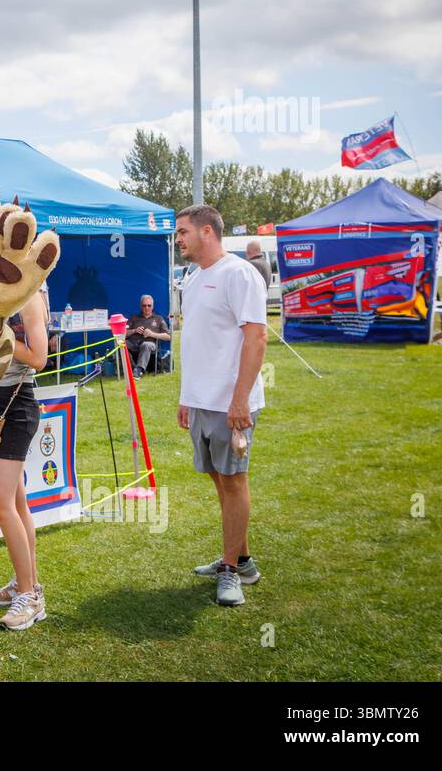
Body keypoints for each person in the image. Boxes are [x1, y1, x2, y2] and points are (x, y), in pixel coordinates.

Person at [175, 204, 268, 607]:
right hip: (202, 401)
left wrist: (240, 399)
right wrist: (187, 397)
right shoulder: (194, 278)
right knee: (219, 480)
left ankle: (230, 570)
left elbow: (257, 338)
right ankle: (242, 561)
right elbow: (196, 341)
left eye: (183, 232)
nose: (178, 239)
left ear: (207, 231)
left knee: (233, 481)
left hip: (231, 402)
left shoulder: (239, 274)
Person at [0, 284, 50, 631]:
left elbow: (39, 358)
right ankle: (25, 583)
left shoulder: (30, 296)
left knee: (0, 504)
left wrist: (0, 336)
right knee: (18, 505)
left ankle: (30, 598)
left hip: (18, 407)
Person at [125, 294, 170, 377]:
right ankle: (132, 368)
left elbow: (168, 336)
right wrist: (134, 330)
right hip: (134, 343)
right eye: (144, 305)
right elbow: (123, 333)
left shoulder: (158, 319)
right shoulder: (134, 317)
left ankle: (139, 370)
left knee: (146, 344)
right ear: (141, 306)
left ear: (153, 306)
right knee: (121, 343)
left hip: (149, 344)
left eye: (149, 305)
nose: (147, 308)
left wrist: (152, 334)